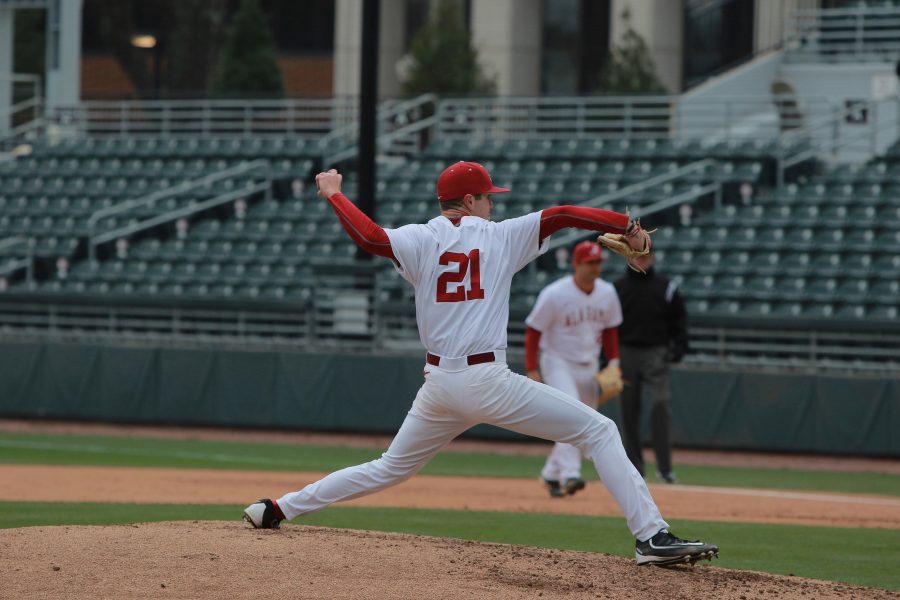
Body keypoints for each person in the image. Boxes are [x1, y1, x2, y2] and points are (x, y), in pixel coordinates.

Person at [244, 162, 717, 566]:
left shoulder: (419, 237)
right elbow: (564, 214)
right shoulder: (501, 236)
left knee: (389, 467)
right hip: (487, 379)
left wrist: (334, 194)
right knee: (599, 431)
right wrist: (626, 223)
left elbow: (369, 238)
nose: (493, 205)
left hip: (440, 384)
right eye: (488, 197)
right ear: (468, 200)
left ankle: (277, 508)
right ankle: (651, 536)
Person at [525, 241, 623, 498]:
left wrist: (614, 363)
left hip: (590, 363)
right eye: (590, 263)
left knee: (585, 422)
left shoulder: (607, 292)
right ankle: (570, 474)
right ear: (576, 264)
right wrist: (532, 367)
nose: (595, 267)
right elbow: (534, 330)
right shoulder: (555, 294)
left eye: (598, 262)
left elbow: (611, 329)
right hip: (557, 361)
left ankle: (550, 474)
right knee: (571, 416)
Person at [613, 251, 688, 484]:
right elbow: (608, 324)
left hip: (656, 351)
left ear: (653, 257)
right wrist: (609, 356)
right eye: (635, 256)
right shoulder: (617, 288)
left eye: (644, 256)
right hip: (626, 352)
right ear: (628, 258)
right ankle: (635, 468)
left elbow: (679, 319)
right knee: (628, 411)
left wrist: (680, 345)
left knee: (659, 404)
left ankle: (665, 469)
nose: (640, 260)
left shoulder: (667, 286)